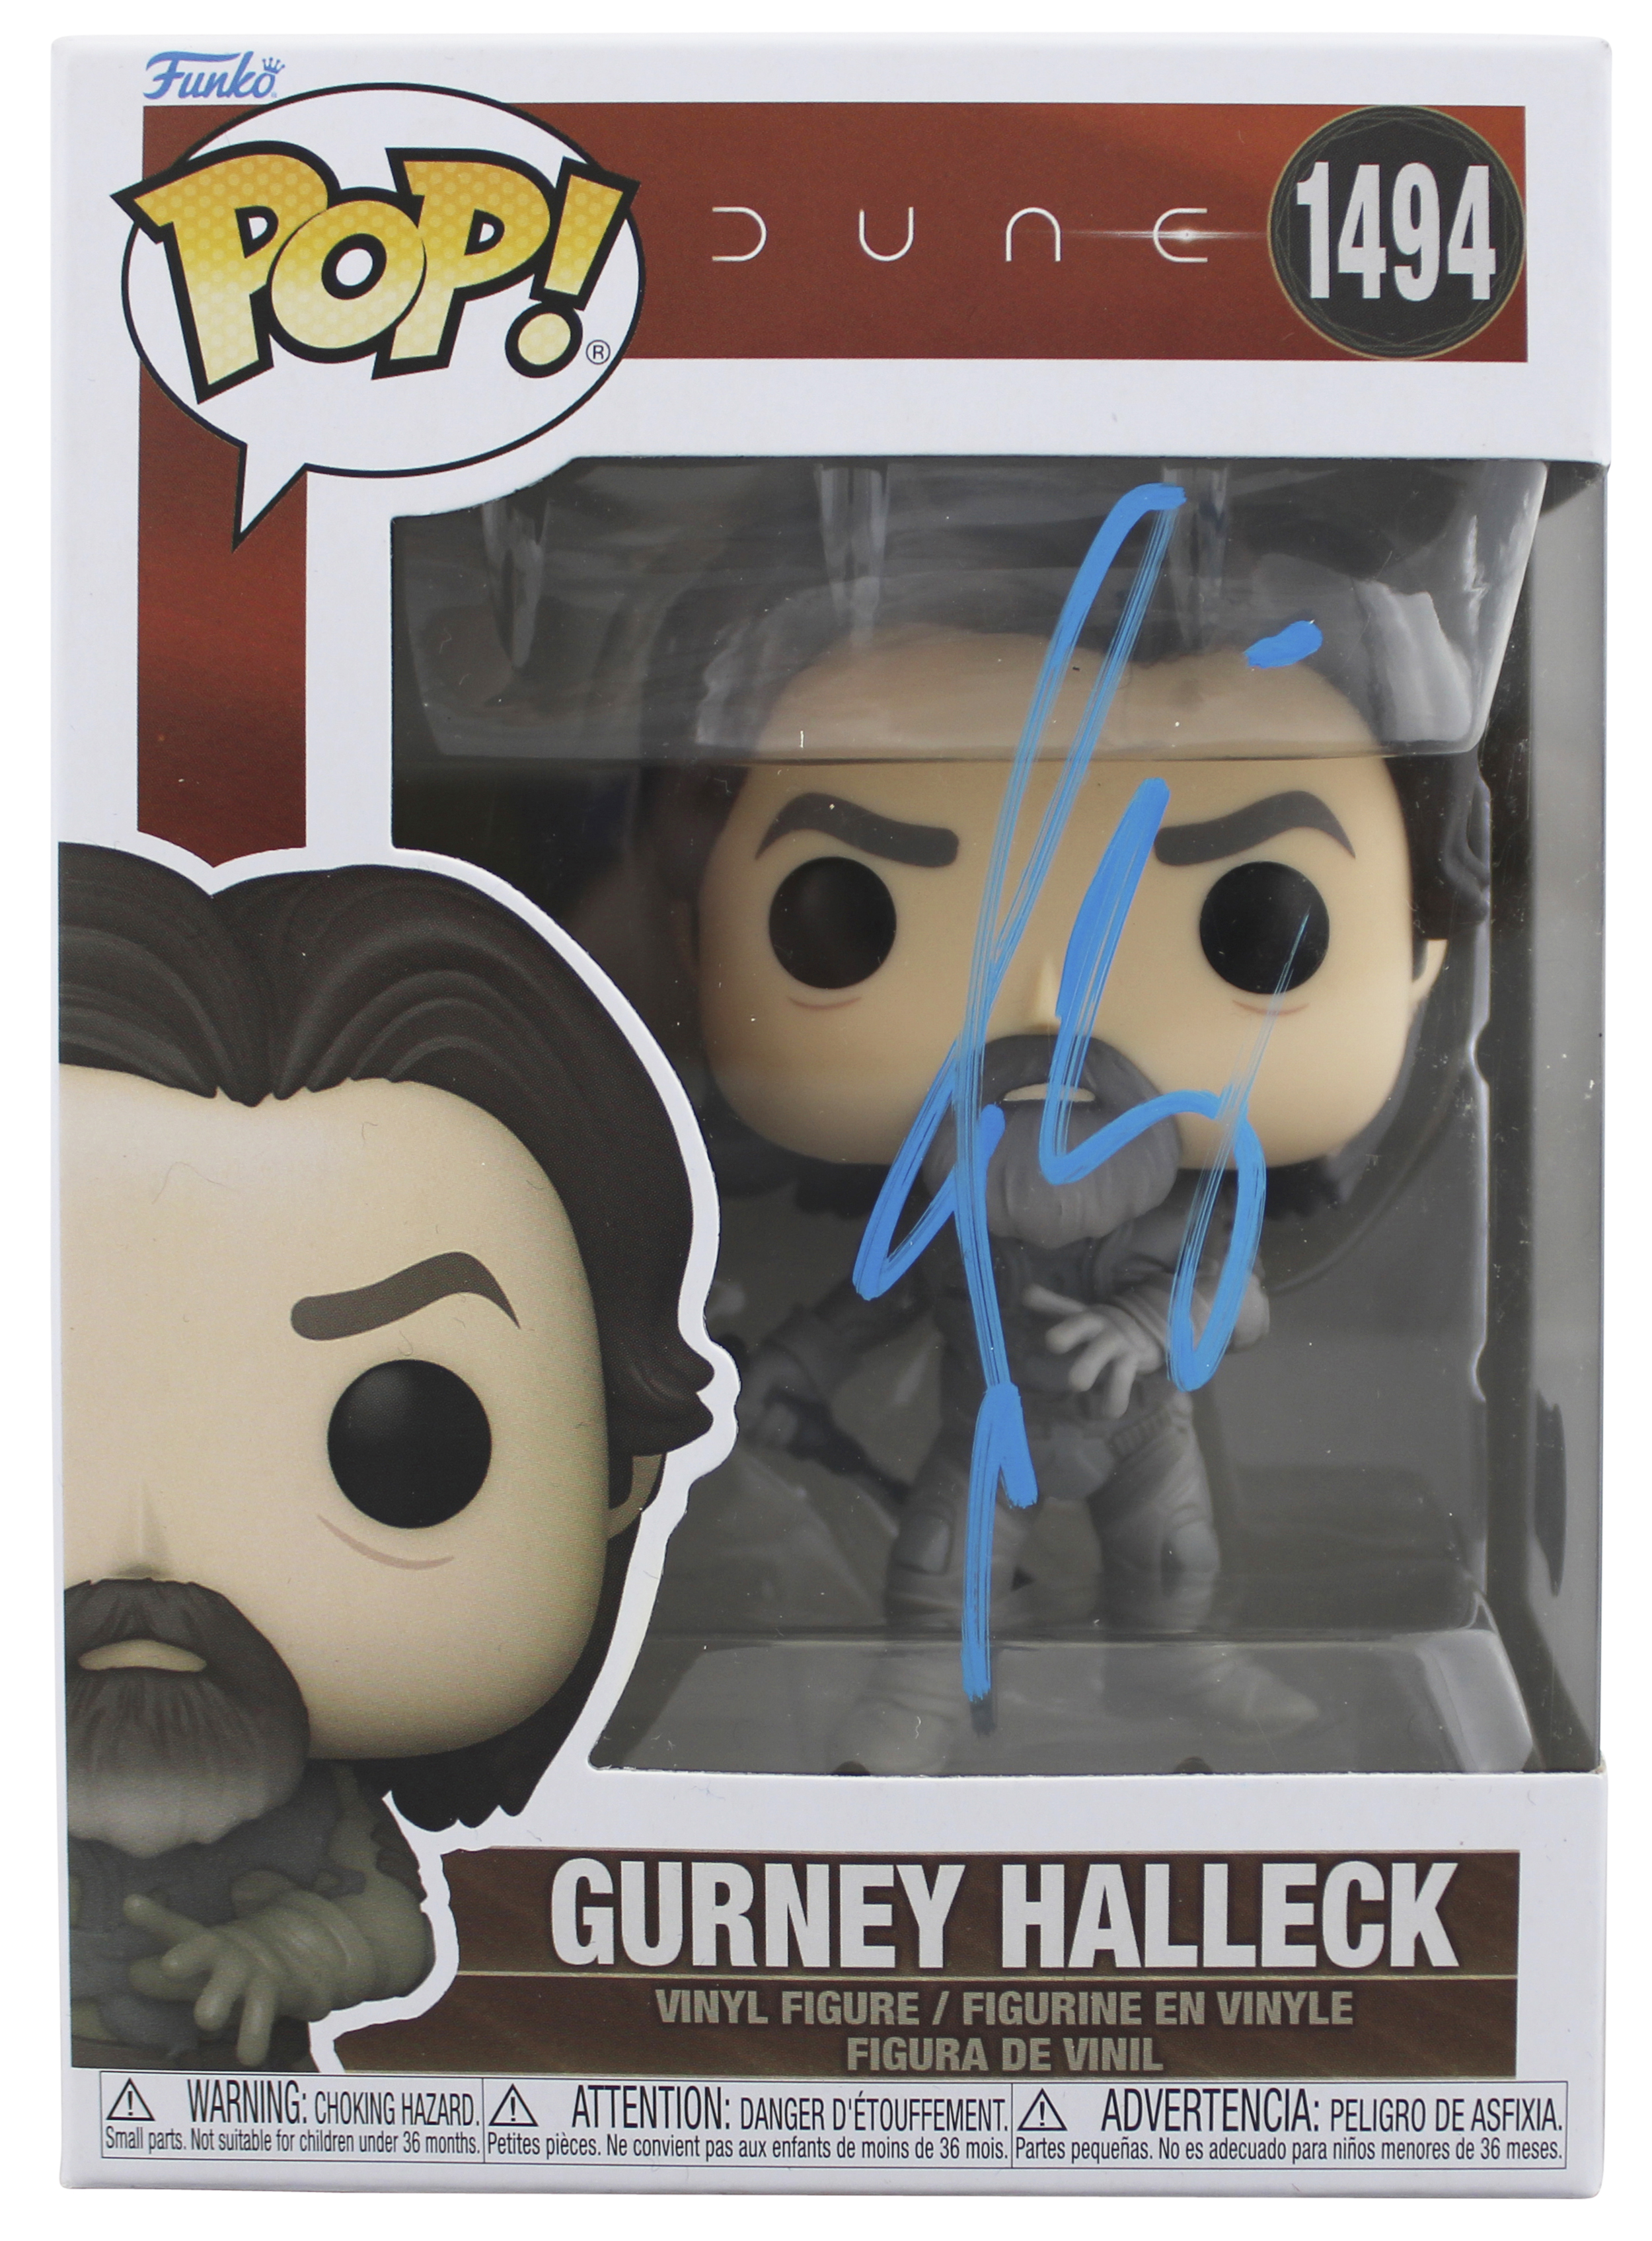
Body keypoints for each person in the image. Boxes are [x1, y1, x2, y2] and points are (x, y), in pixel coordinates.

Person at [674, 623, 1483, 1770]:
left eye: (1254, 922)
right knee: (937, 1573)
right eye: (850, 911)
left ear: (1418, 956)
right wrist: (794, 1366)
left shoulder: (1177, 1210)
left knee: (1174, 1563)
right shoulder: (948, 1217)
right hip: (986, 1429)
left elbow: (1235, 1300)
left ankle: (1181, 1676)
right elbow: (875, 1303)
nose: (1050, 1010)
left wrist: (1140, 1327)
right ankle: (916, 1700)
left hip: (1140, 1429)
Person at [60, 845, 713, 2062]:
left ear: (617, 1478)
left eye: (407, 1445)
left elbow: (390, 1932)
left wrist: (293, 1955)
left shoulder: (320, 1822)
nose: (153, 1551)